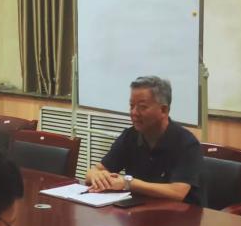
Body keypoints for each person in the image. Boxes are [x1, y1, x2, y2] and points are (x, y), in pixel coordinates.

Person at [85, 76, 203, 205]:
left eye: (142, 107)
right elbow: (94, 171)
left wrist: (128, 183)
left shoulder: (186, 143)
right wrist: (96, 175)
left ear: (163, 110)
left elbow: (177, 192)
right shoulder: (130, 136)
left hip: (181, 214)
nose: (134, 113)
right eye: (131, 106)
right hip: (138, 210)